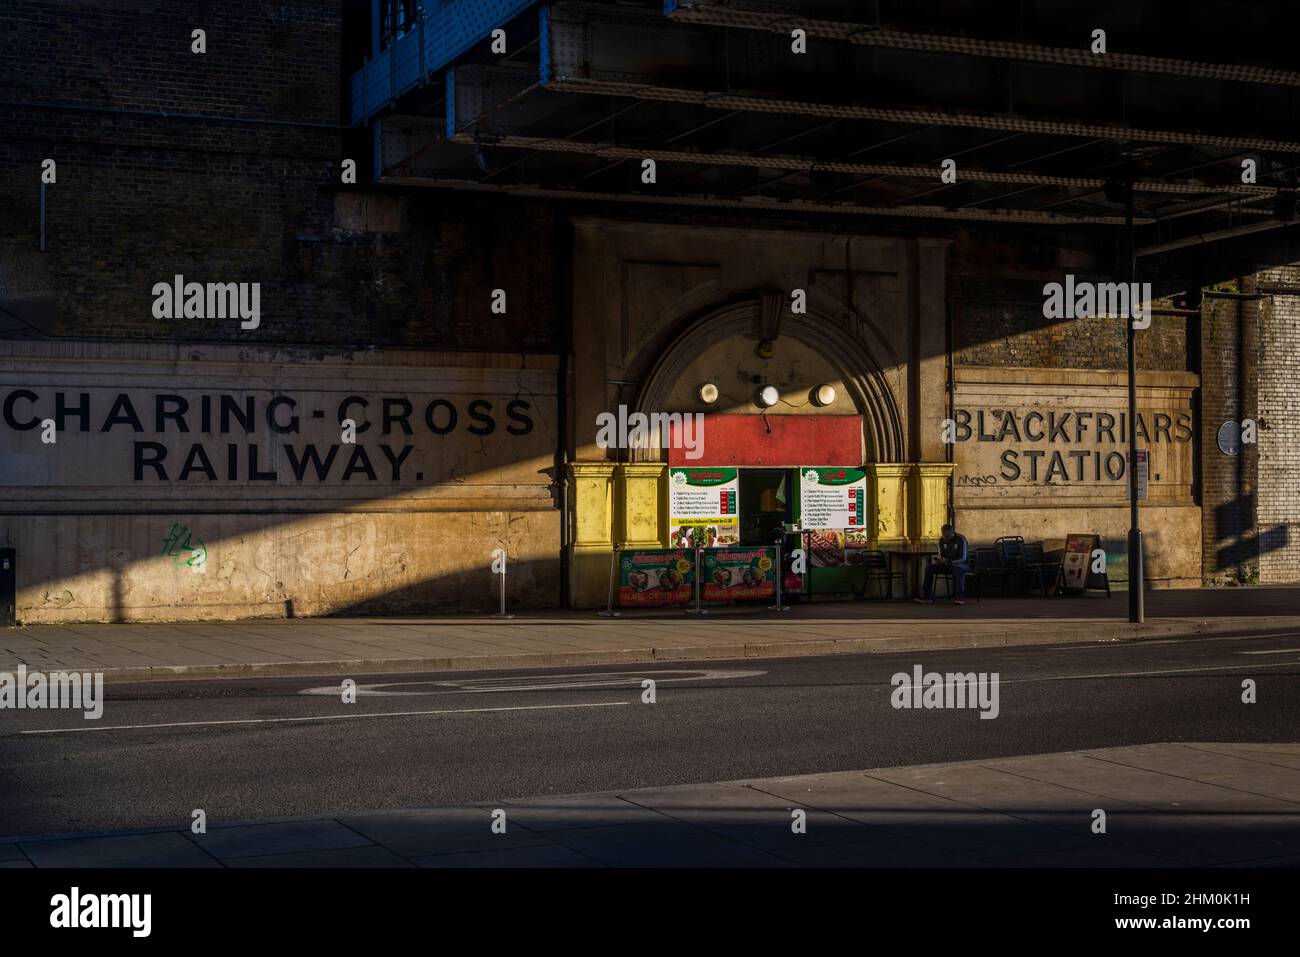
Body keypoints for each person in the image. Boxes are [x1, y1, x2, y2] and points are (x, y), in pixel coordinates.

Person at [915, 523, 969, 605]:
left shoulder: (961, 539)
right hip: (947, 564)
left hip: (961, 564)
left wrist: (948, 561)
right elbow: (940, 554)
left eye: (947, 536)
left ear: (952, 532)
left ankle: (959, 597)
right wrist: (940, 560)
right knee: (929, 568)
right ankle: (927, 597)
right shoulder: (941, 540)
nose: (946, 538)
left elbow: (963, 558)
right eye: (944, 536)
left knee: (958, 569)